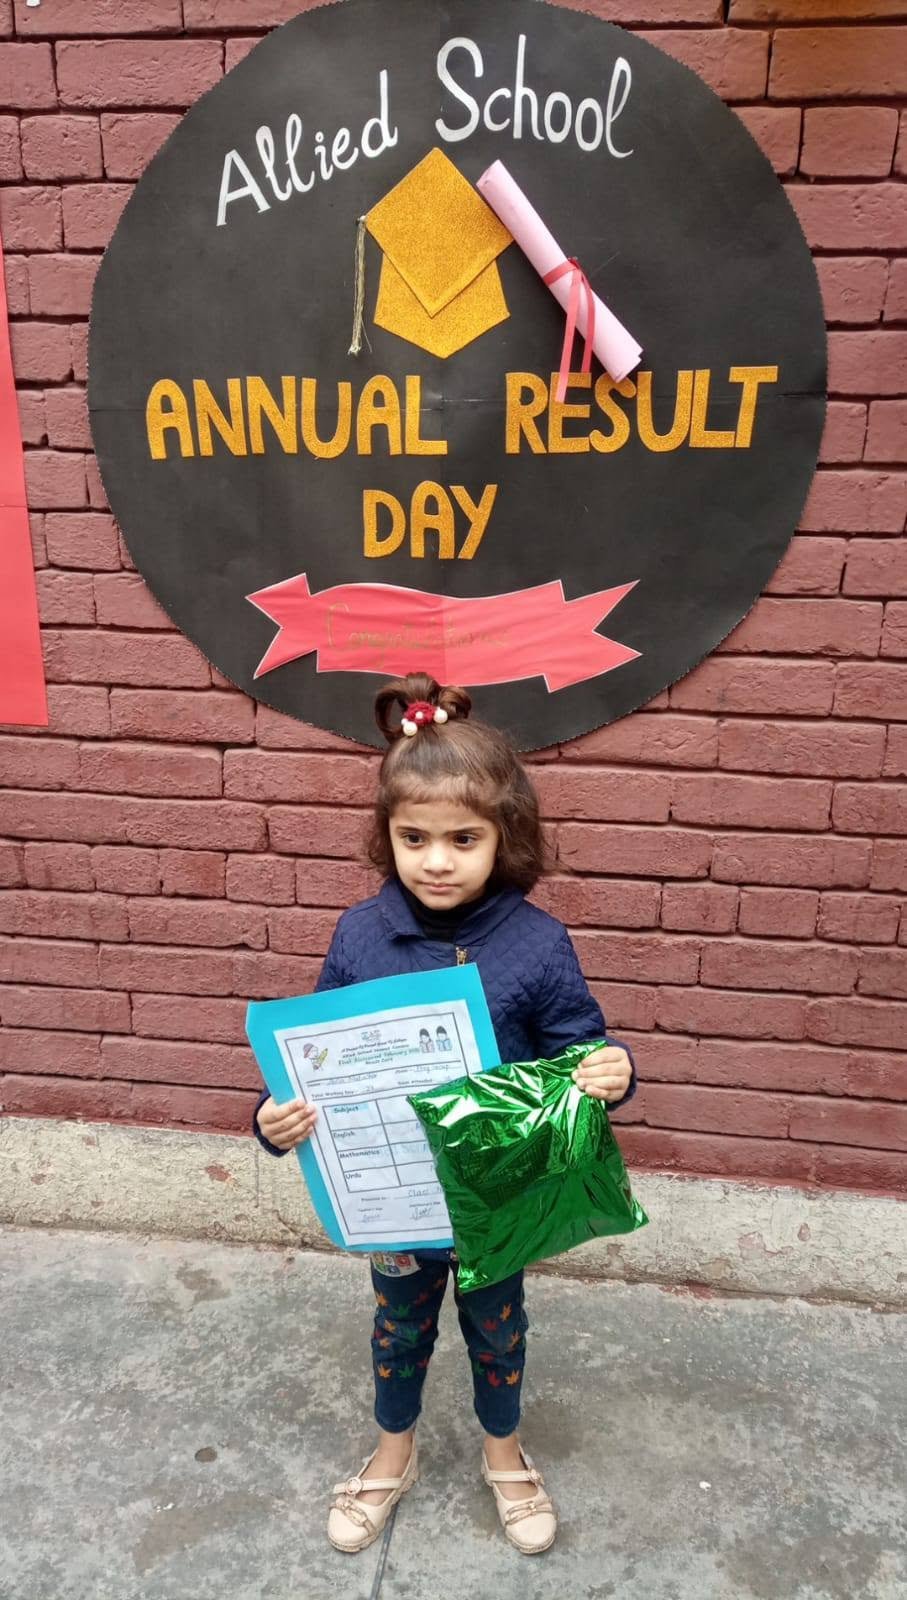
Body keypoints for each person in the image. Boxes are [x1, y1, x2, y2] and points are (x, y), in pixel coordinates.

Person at [253, 672, 637, 1557]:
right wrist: (275, 1116)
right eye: (414, 837)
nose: (436, 860)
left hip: (495, 1200)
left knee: (498, 1330)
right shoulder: (359, 936)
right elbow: (312, 1056)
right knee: (398, 1328)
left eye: (463, 838)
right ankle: (394, 1452)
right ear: (386, 835)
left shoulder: (537, 943)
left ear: (505, 836)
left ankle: (504, 1453)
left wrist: (609, 1070)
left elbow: (577, 1043)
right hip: (395, 1204)